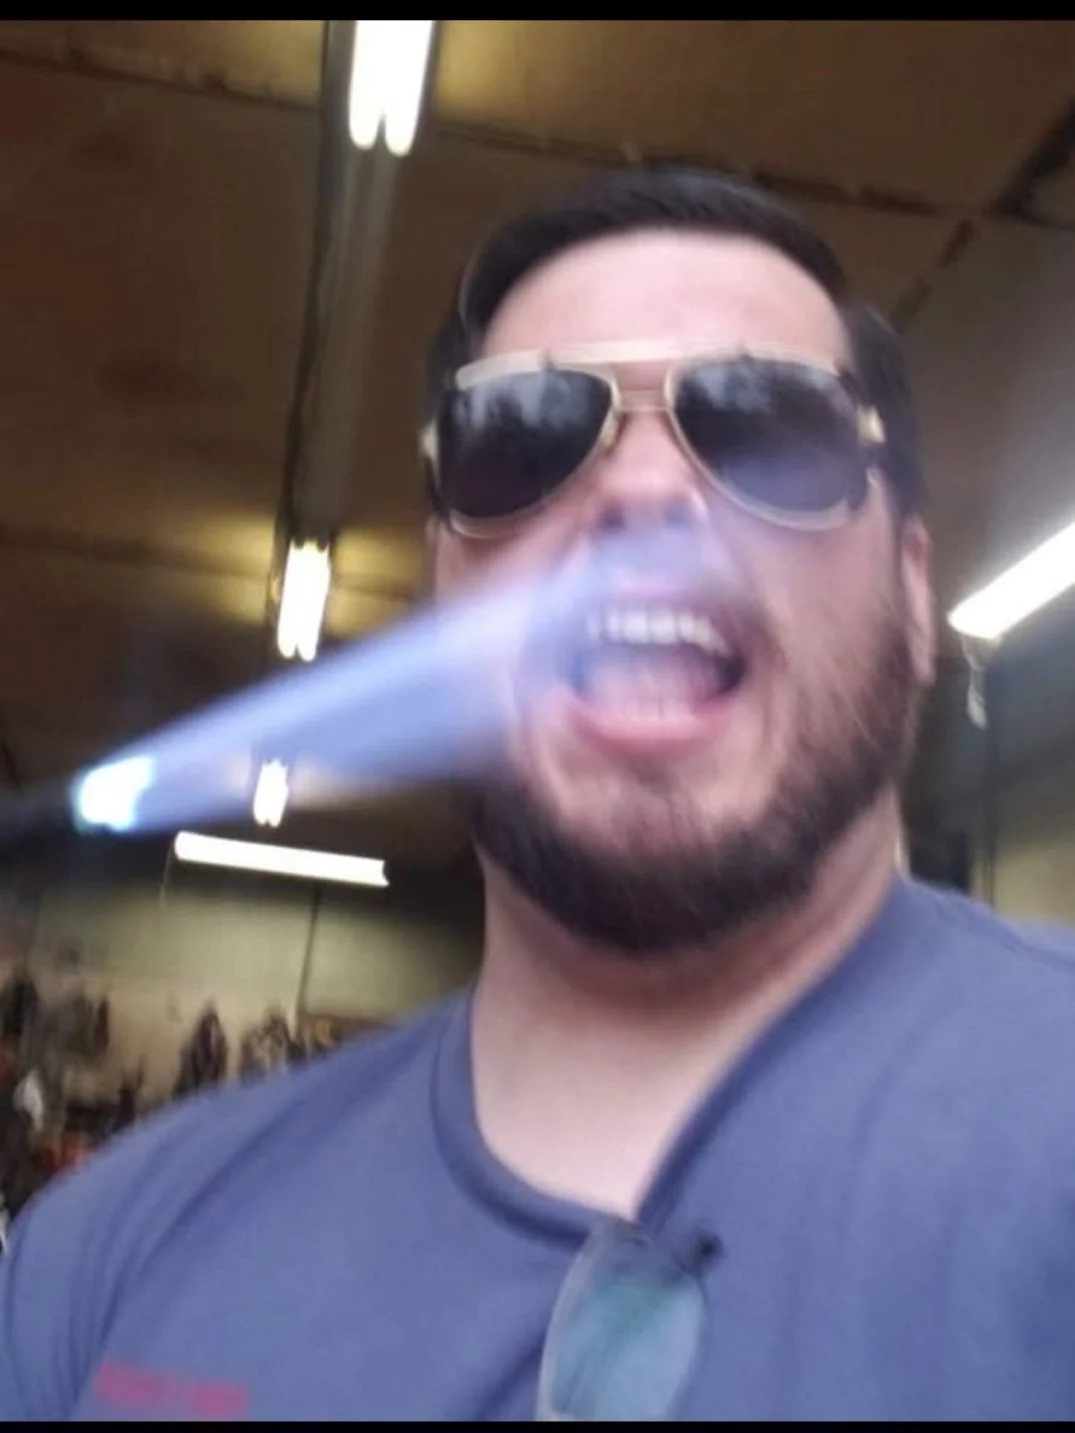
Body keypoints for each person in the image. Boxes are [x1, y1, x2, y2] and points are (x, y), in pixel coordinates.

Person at [2, 168, 1075, 1423]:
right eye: (522, 432)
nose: (644, 493)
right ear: (439, 600)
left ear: (909, 594)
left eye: (765, 422)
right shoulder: (102, 1257)